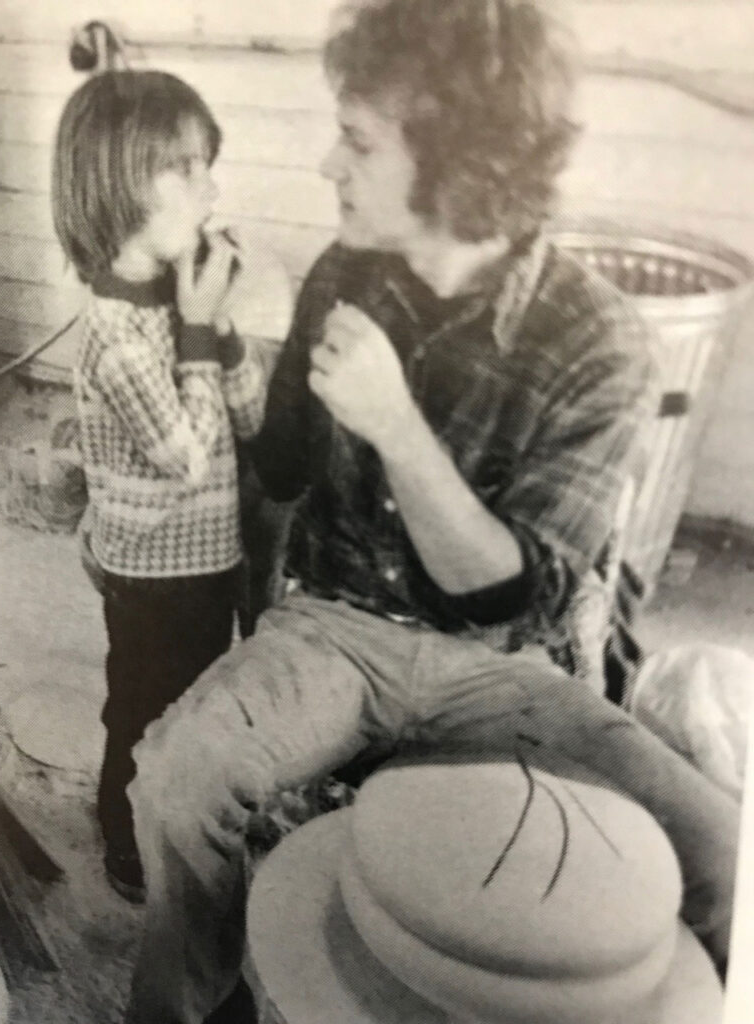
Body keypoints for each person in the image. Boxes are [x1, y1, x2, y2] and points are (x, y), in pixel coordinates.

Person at [123, 2, 740, 1022]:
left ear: (464, 159)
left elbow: (502, 597)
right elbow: (277, 465)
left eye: (357, 139)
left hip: (504, 667)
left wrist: (396, 426)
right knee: (174, 781)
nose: (328, 163)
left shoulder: (598, 341)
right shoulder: (342, 274)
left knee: (719, 848)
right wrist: (209, 345)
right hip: (336, 629)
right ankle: (199, 999)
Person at [51, 68, 267, 903]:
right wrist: (202, 329)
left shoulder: (183, 298)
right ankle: (124, 834)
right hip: (151, 572)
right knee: (143, 713)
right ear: (116, 181)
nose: (212, 187)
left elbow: (244, 420)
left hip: (211, 557)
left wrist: (217, 324)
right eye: (187, 167)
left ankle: (174, 814)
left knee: (200, 704)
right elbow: (185, 452)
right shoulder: (115, 333)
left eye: (209, 163)